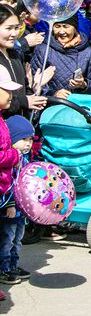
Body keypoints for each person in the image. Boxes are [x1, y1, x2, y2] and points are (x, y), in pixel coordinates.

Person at [0, 77, 33, 286]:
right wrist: (13, 155)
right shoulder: (15, 153)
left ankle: (12, 264)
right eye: (7, 92)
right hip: (7, 202)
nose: (12, 97)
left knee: (16, 238)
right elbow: (11, 180)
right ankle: (4, 268)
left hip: (18, 207)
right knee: (6, 237)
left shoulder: (2, 120)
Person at [30, 16, 91, 99]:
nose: (61, 31)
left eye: (65, 26)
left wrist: (84, 84)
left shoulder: (87, 51)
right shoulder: (43, 49)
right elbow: (33, 82)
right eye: (57, 26)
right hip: (51, 106)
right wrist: (54, 94)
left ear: (74, 28)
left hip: (78, 106)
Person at [0, 5, 47, 116]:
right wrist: (24, 102)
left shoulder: (16, 54)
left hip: (19, 124)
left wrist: (34, 87)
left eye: (16, 28)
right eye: (8, 28)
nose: (14, 33)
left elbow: (23, 91)